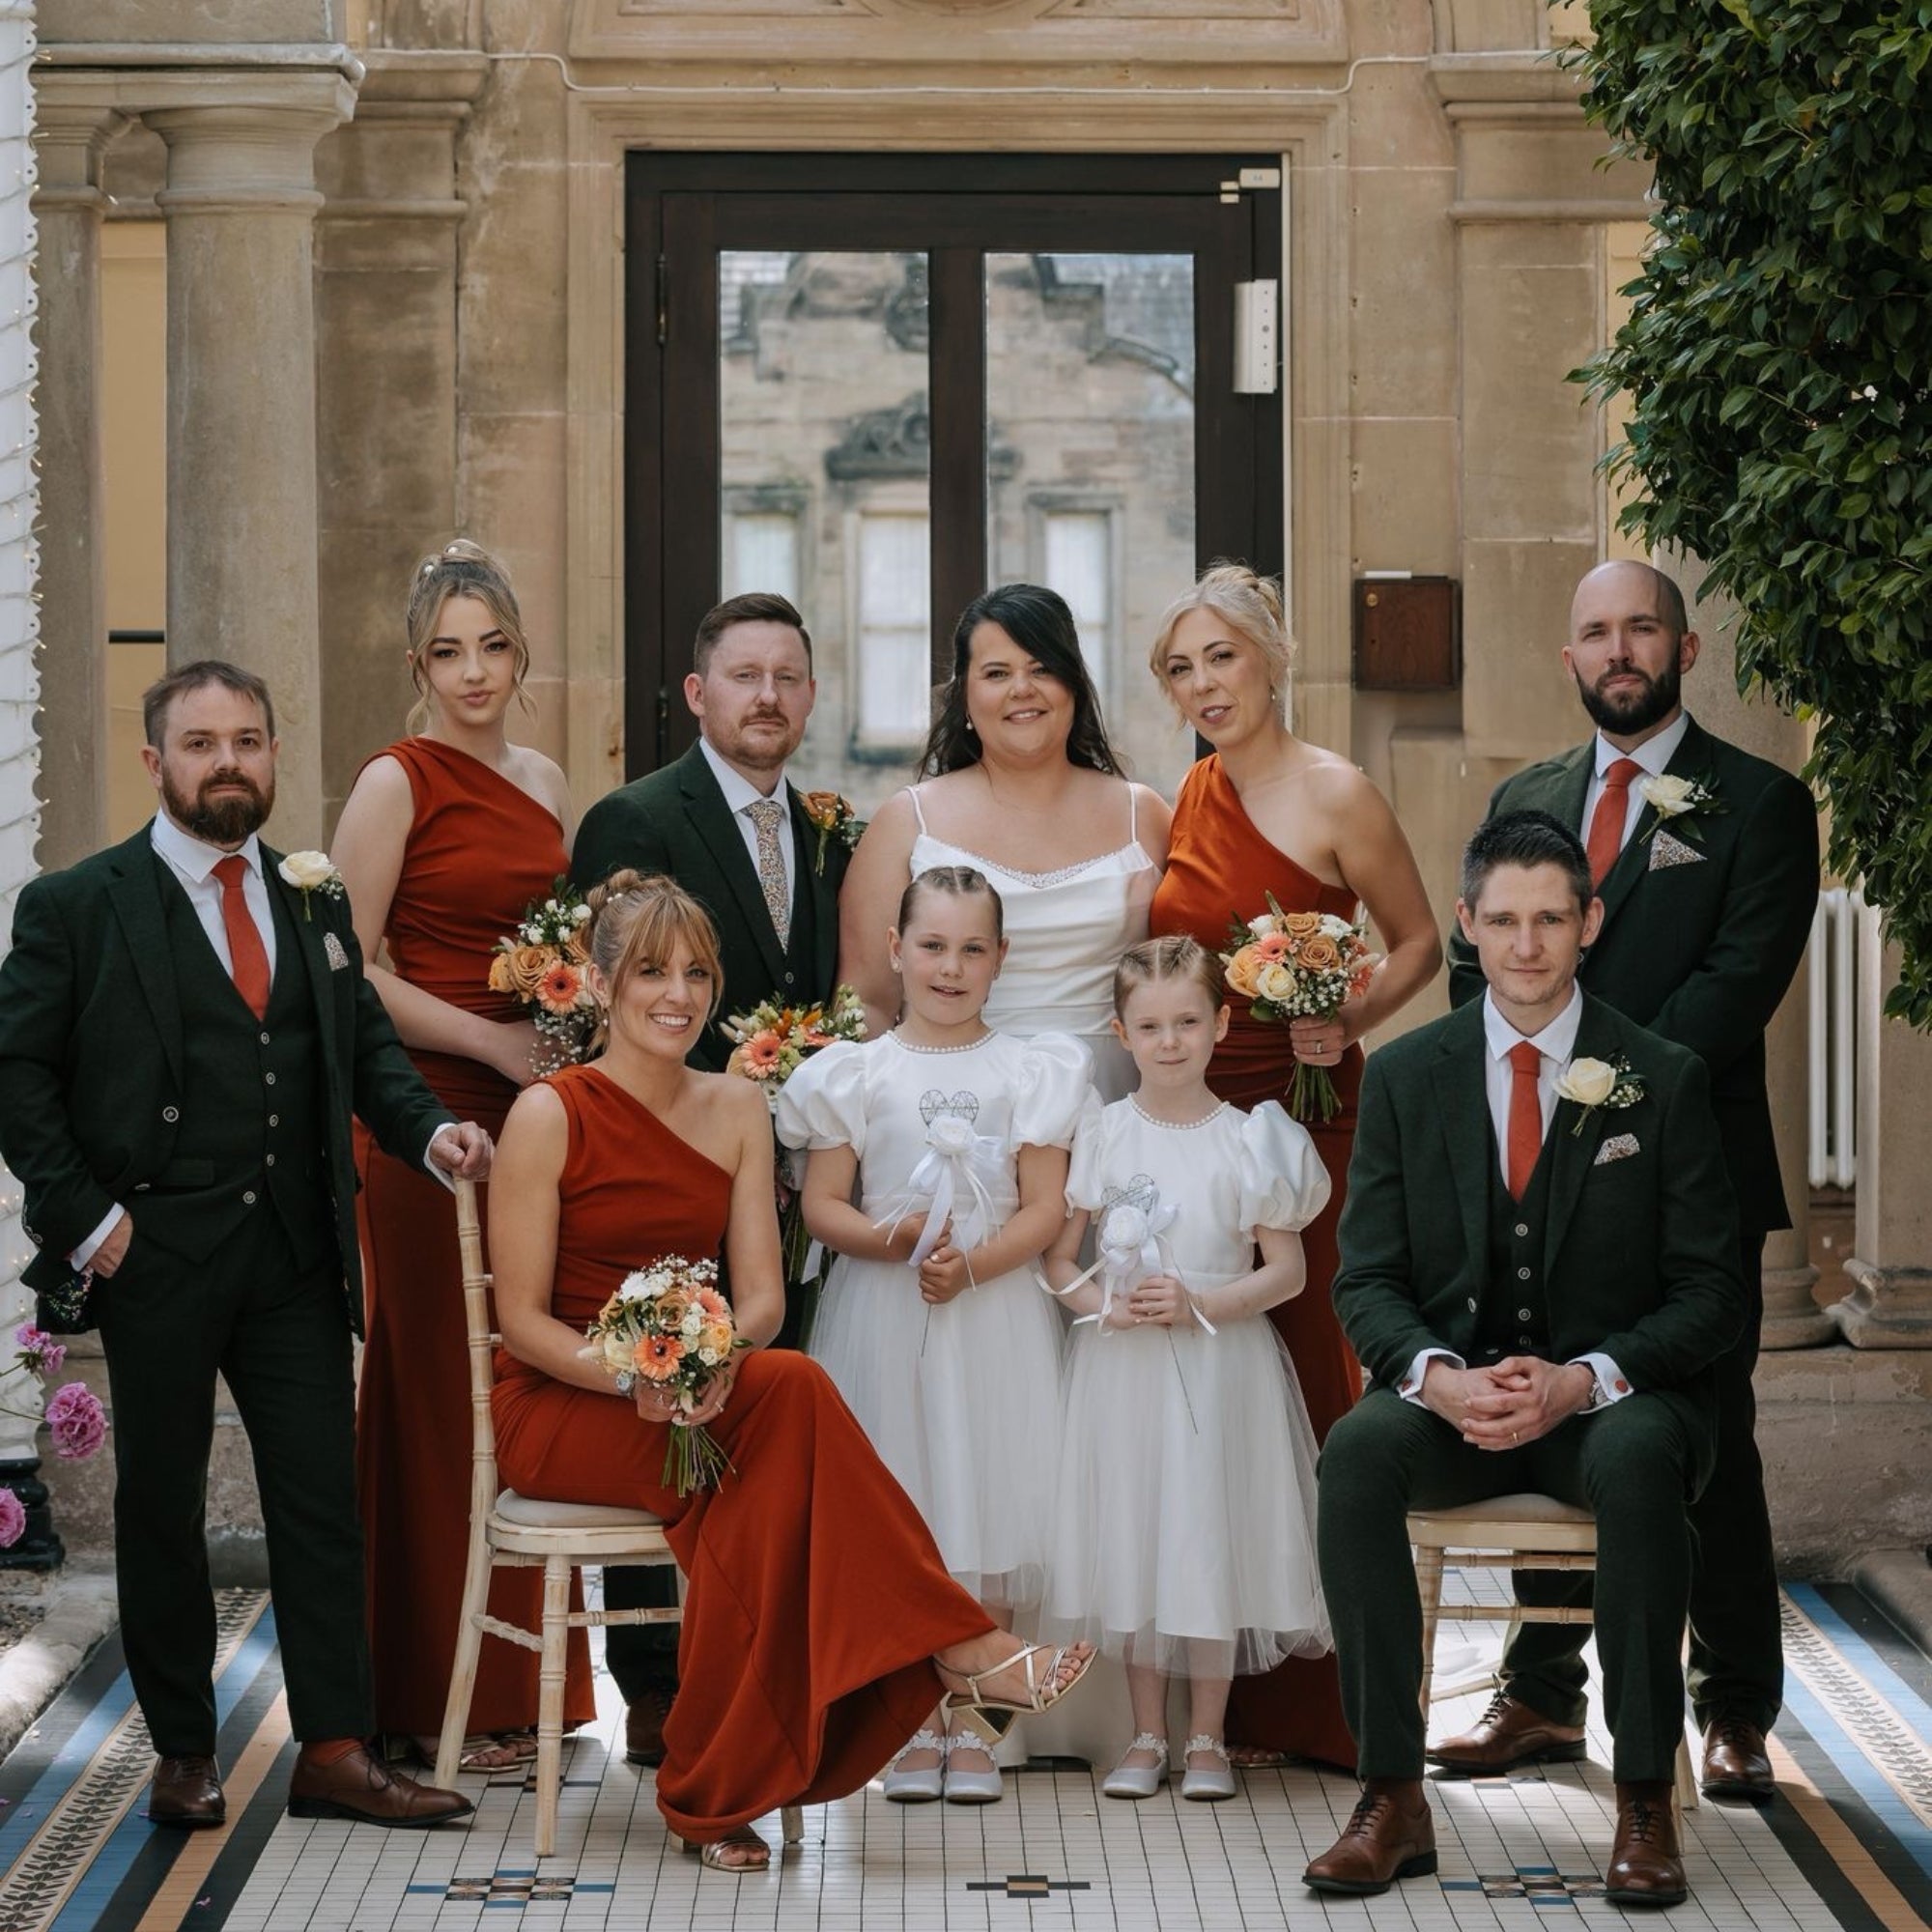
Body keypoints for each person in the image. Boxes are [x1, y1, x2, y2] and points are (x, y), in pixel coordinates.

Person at [485, 869, 1095, 1871]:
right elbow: (520, 1323)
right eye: (650, 972)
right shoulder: (548, 1114)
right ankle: (957, 1649)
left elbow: (762, 1300)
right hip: (567, 1403)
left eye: (696, 973)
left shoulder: (735, 1105)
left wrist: (709, 1360)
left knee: (781, 1428)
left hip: (694, 1391)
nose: (677, 995)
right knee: (785, 1423)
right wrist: (641, 1378)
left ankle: (717, 1790)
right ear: (599, 983)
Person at [0, 662, 490, 1830]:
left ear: (273, 753)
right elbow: (17, 1074)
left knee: (320, 1504)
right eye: (202, 742)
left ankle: (335, 1748)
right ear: (154, 760)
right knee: (160, 1509)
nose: (229, 761)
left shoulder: (310, 896)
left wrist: (431, 1134)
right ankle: (183, 1750)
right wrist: (91, 1221)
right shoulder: (78, 904)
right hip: (152, 1253)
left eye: (249, 740)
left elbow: (364, 1050)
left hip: (293, 1255)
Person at [1302, 810, 1746, 1908]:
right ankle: (1389, 1792)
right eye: (1503, 920)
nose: (1527, 944)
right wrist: (1437, 1379)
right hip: (1455, 1403)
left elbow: (1710, 1294)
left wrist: (1584, 1378)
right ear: (1466, 923)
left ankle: (1641, 1796)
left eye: (1550, 918)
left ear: (1589, 922)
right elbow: (1364, 1279)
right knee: (1356, 1455)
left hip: (1607, 1405)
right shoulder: (1407, 1075)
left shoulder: (1662, 1075)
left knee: (1638, 1460)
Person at [1435, 559, 1818, 1802]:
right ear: (1567, 657)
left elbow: (1734, 985)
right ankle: (1540, 1695)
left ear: (1682, 648)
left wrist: (1601, 1092)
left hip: (1691, 1173)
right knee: (1550, 1412)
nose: (1617, 649)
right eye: (1595, 631)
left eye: (1639, 627)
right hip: (1534, 1174)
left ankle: (1734, 1705)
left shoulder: (1759, 802)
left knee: (1706, 1430)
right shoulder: (1526, 795)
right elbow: (1472, 968)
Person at [1144, 562, 1439, 1769]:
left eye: (1219, 656)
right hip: (1202, 1121)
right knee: (1214, 1395)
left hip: (1310, 1119)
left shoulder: (1337, 791)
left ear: (1269, 656)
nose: (1202, 684)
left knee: (1315, 1376)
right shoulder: (1187, 792)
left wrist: (1347, 1015)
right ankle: (1231, 1697)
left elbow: (1418, 940)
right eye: (1179, 668)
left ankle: (1336, 1703)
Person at [569, 591, 850, 1755]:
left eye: (786, 676)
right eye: (744, 675)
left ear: (810, 695)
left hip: (802, 1174)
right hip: (668, 1163)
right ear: (697, 693)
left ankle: (764, 1662)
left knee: (768, 1390)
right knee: (668, 1387)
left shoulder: (832, 833)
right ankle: (654, 1682)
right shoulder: (633, 817)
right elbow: (616, 1009)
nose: (766, 696)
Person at [329, 540, 591, 1768]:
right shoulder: (394, 781)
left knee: (516, 1382)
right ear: (416, 663)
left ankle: (525, 1689)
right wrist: (489, 1041)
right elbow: (349, 967)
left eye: (493, 645)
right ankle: (427, 1688)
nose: (474, 671)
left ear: (520, 650)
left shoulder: (542, 776)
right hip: (424, 1113)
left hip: (531, 1107)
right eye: (448, 651)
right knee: (437, 1388)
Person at [776, 867, 1088, 1805]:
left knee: (990, 1498)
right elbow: (825, 1205)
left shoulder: (1029, 1069)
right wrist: (896, 1239)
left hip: (991, 1314)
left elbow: (1044, 1208)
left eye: (971, 948)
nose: (950, 966)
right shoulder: (856, 1073)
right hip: (884, 1314)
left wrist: (974, 1266)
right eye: (933, 945)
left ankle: (979, 1726)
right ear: (895, 950)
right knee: (901, 1504)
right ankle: (910, 1722)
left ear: (1000, 958)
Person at [1039, 935, 1332, 1804]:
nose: (1170, 1042)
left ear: (1221, 1025)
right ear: (1121, 1033)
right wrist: (1104, 1306)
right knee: (1136, 1538)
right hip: (1122, 1373)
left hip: (1218, 1368)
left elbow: (1288, 1273)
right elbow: (1059, 1262)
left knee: (1206, 1537)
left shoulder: (1251, 1140)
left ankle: (1207, 1736)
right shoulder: (1104, 1133)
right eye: (1150, 1026)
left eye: (1188, 1023)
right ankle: (1145, 1734)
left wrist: (1200, 1301)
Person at [839, 583, 1169, 1101]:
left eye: (1042, 669)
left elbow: (1186, 979)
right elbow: (868, 1002)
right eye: (997, 673)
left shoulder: (1142, 815)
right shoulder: (907, 822)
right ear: (965, 697)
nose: (1022, 689)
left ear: (1074, 686)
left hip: (1118, 1102)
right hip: (950, 1106)